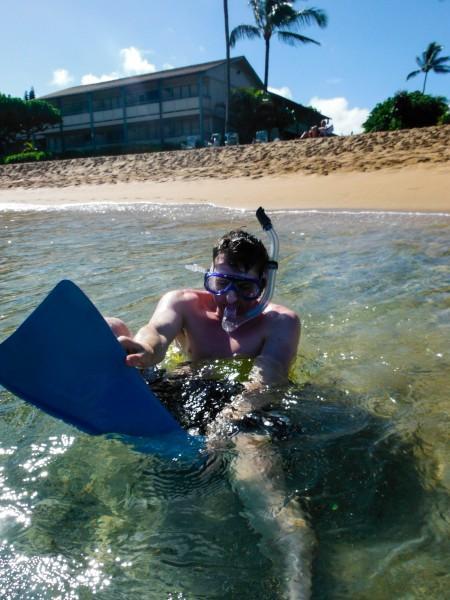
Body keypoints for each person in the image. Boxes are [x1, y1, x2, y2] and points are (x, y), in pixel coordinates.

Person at [107, 215, 313, 599]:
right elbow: (156, 333)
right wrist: (145, 352)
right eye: (220, 283)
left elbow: (268, 381)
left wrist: (225, 424)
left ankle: (296, 577)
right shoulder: (183, 303)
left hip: (246, 406)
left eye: (245, 287)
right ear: (209, 274)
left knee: (260, 476)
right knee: (111, 328)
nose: (229, 299)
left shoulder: (281, 322)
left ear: (264, 284)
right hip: (186, 390)